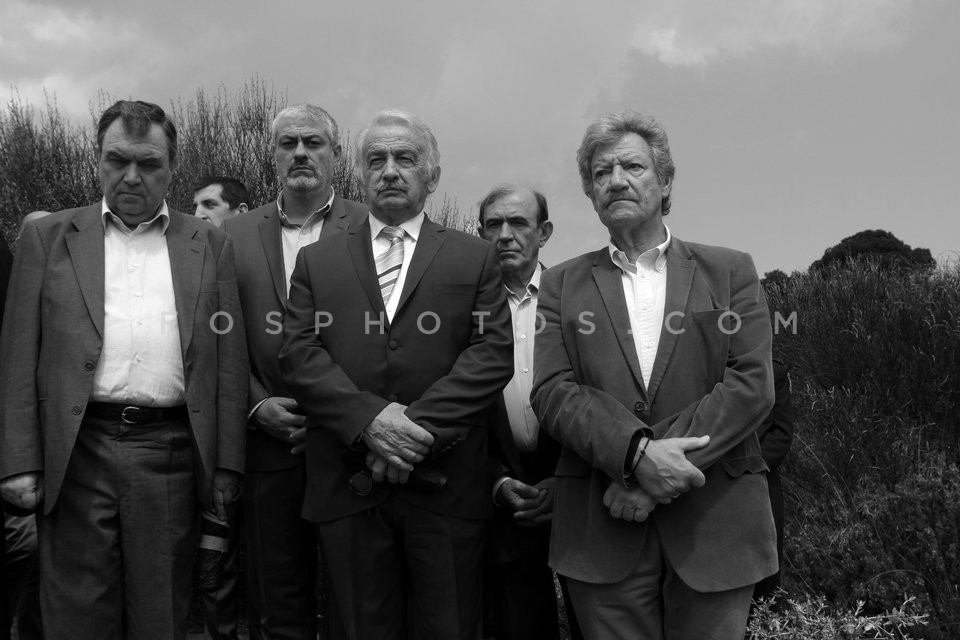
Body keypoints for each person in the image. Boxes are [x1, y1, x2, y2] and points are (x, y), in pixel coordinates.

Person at [0, 100, 248, 640]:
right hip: (75, 452)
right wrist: (18, 460)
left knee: (160, 616)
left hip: (171, 455)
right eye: (117, 160)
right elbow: (19, 353)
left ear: (171, 168)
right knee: (75, 616)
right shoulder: (49, 239)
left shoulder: (209, 243)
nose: (132, 176)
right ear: (97, 161)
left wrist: (228, 462)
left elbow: (228, 359)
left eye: (149, 163)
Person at [530, 110, 777, 640]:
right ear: (591, 194)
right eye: (600, 173)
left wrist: (647, 474)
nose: (615, 180)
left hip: (716, 527)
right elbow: (551, 392)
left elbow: (751, 385)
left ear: (665, 182)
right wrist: (638, 458)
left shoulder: (731, 271)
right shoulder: (559, 285)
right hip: (601, 531)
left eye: (632, 166)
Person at [278, 109, 514, 640]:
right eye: (376, 159)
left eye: (405, 159)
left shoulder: (474, 258)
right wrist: (369, 422)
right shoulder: (317, 261)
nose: (390, 170)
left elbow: (492, 353)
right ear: (359, 174)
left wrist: (410, 432)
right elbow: (298, 354)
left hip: (449, 489)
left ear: (431, 175)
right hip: (347, 484)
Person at [221, 104, 367, 640]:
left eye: (313, 142)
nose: (301, 152)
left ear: (335, 155)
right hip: (267, 446)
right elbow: (220, 338)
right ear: (273, 155)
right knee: (277, 603)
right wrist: (256, 405)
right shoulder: (231, 235)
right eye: (288, 143)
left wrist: (344, 411)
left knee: (357, 602)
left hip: (351, 445)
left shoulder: (371, 228)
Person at [476, 184, 569, 640]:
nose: (505, 235)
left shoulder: (576, 299)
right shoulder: (459, 309)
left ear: (544, 232)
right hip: (502, 495)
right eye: (494, 224)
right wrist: (494, 480)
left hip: (576, 490)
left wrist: (565, 480)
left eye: (519, 223)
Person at [753, 358, 795, 601]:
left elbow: (781, 434)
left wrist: (747, 467)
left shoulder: (774, 369)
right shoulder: (706, 365)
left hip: (762, 485)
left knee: (765, 580)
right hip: (708, 487)